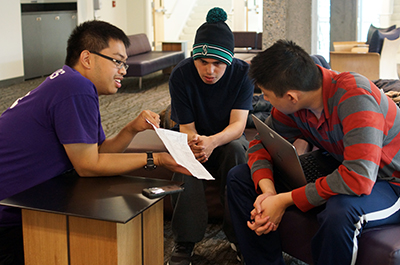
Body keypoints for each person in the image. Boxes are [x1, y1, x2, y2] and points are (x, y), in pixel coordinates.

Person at [0, 20, 190, 265]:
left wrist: (132, 129)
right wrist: (157, 158)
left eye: (125, 62)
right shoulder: (75, 87)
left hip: (27, 199)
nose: (124, 69)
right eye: (117, 61)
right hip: (12, 213)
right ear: (87, 59)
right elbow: (88, 166)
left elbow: (99, 152)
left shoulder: (70, 83)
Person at [227, 39, 400, 265]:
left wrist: (283, 201)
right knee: (240, 178)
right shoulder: (296, 105)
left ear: (291, 96)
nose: (265, 100)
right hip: (343, 165)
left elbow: (359, 178)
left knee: (340, 212)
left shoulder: (356, 98)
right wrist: (268, 192)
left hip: (389, 181)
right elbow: (262, 143)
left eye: (267, 95)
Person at [167, 7, 254, 265]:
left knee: (238, 149)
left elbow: (238, 125)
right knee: (185, 157)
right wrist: (197, 143)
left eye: (217, 64)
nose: (210, 70)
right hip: (193, 136)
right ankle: (185, 242)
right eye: (202, 62)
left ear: (228, 61)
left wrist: (213, 141)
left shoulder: (242, 74)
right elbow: (186, 127)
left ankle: (239, 234)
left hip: (226, 138)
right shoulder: (181, 75)